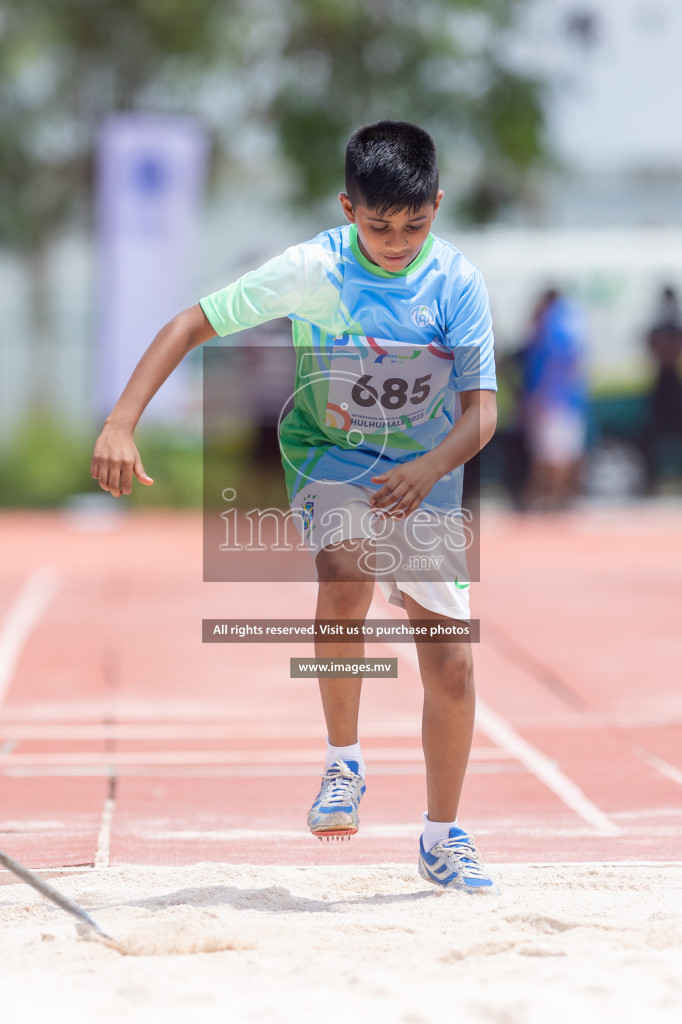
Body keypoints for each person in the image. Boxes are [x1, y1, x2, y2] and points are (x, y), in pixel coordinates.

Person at [91, 120, 499, 894]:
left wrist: (428, 470)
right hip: (331, 456)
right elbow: (188, 324)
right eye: (380, 226)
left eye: (416, 224)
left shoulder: (457, 282)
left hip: (428, 471)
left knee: (450, 664)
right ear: (349, 209)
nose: (398, 242)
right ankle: (344, 763)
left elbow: (483, 414)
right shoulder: (311, 269)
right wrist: (120, 422)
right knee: (345, 570)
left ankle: (442, 837)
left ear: (437, 205)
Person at [520, 288, 588, 511]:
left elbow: (547, 367)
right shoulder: (572, 322)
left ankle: (554, 497)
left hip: (552, 400)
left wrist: (538, 397)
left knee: (552, 454)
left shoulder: (551, 327)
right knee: (562, 452)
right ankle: (558, 496)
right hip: (566, 399)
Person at [641, 285, 682, 491]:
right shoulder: (661, 327)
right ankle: (654, 478)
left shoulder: (672, 327)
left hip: (671, 380)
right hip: (664, 380)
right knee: (654, 434)